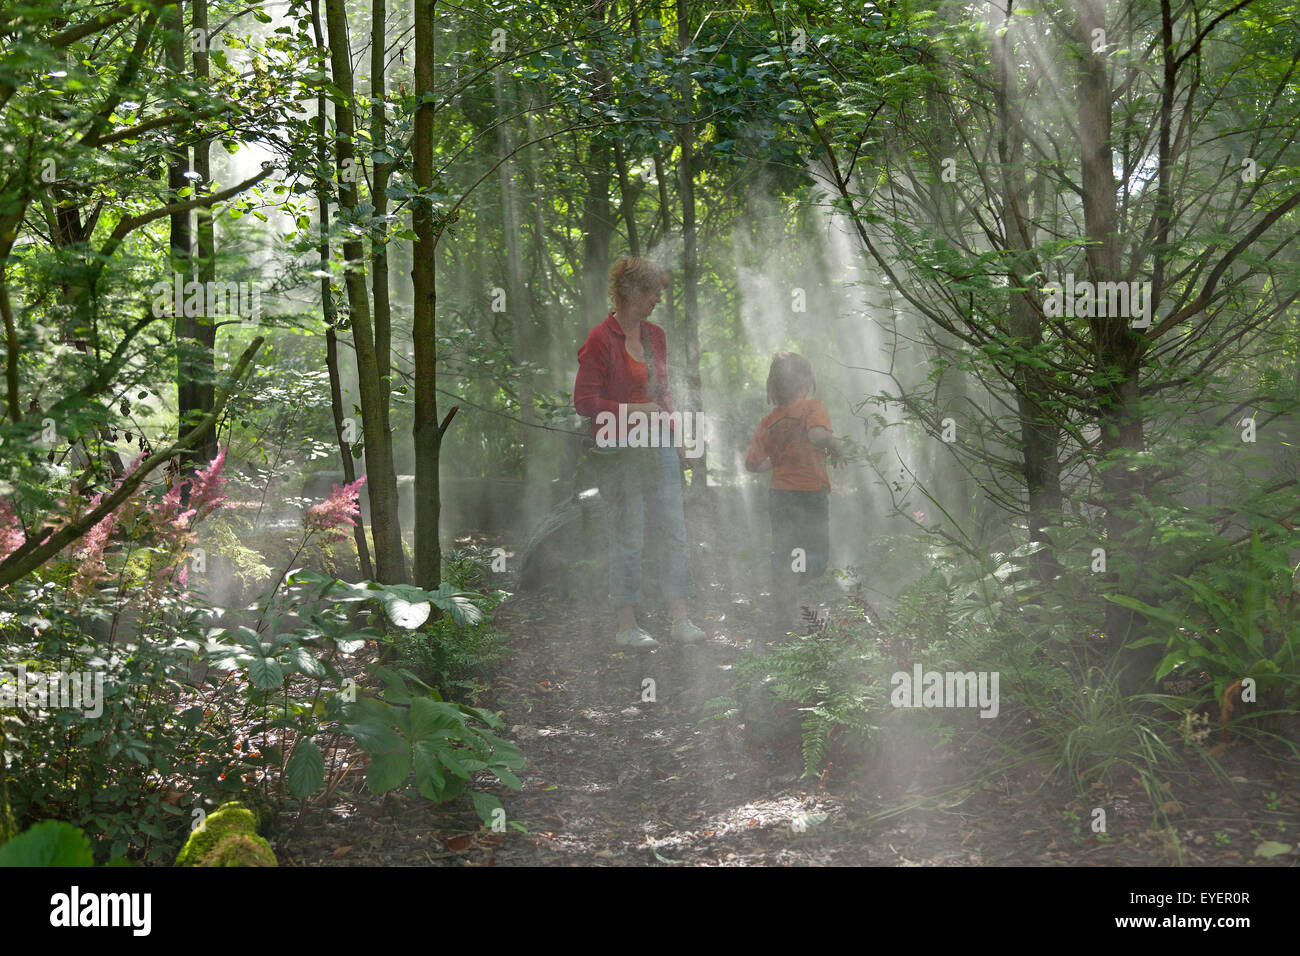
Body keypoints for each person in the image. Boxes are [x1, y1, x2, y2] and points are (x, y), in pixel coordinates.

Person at [573, 256, 706, 651]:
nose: (657, 300)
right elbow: (583, 401)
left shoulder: (655, 336)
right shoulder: (600, 339)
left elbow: (664, 393)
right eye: (653, 292)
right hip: (618, 447)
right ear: (632, 292)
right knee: (628, 534)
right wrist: (631, 411)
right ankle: (627, 625)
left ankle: (680, 618)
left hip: (659, 442)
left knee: (674, 529)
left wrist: (677, 438)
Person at [745, 352, 842, 633]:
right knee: (819, 559)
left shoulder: (768, 421)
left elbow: (752, 464)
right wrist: (838, 447)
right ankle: (788, 577)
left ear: (774, 389)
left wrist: (776, 461)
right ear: (807, 382)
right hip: (810, 494)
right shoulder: (813, 407)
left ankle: (783, 612)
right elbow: (817, 436)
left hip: (780, 496)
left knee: (785, 550)